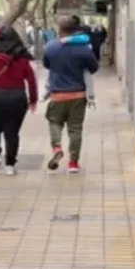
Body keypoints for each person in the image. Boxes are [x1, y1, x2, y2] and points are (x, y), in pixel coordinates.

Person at [42, 15, 99, 173]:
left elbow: (47, 64)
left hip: (57, 95)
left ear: (59, 30)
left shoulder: (51, 47)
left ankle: (57, 148)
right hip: (78, 96)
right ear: (76, 30)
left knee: (54, 122)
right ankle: (73, 163)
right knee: (75, 129)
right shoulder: (84, 49)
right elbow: (94, 68)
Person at [0, 26, 38, 176]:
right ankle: (10, 165)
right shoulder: (22, 57)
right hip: (17, 97)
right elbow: (31, 80)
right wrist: (33, 100)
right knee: (12, 132)